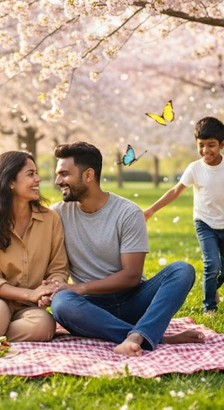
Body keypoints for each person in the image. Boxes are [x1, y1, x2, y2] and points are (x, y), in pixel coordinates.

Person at [47, 141, 204, 357]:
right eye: (58, 175)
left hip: (135, 301)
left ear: (88, 175)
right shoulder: (57, 214)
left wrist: (81, 288)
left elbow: (131, 276)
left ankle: (140, 333)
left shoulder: (128, 213)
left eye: (64, 174)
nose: (58, 181)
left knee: (182, 270)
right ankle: (146, 336)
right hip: (92, 310)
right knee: (61, 303)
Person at [144, 117, 224, 315]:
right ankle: (209, 306)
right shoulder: (194, 168)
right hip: (204, 222)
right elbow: (175, 191)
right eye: (201, 145)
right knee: (212, 264)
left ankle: (212, 288)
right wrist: (152, 209)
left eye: (211, 145)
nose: (205, 150)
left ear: (222, 144)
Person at [0, 151, 69, 343]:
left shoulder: (50, 220)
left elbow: (59, 269)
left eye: (36, 173)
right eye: (30, 174)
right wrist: (31, 294)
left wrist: (48, 291)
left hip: (29, 307)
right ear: (10, 182)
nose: (38, 179)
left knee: (43, 326)